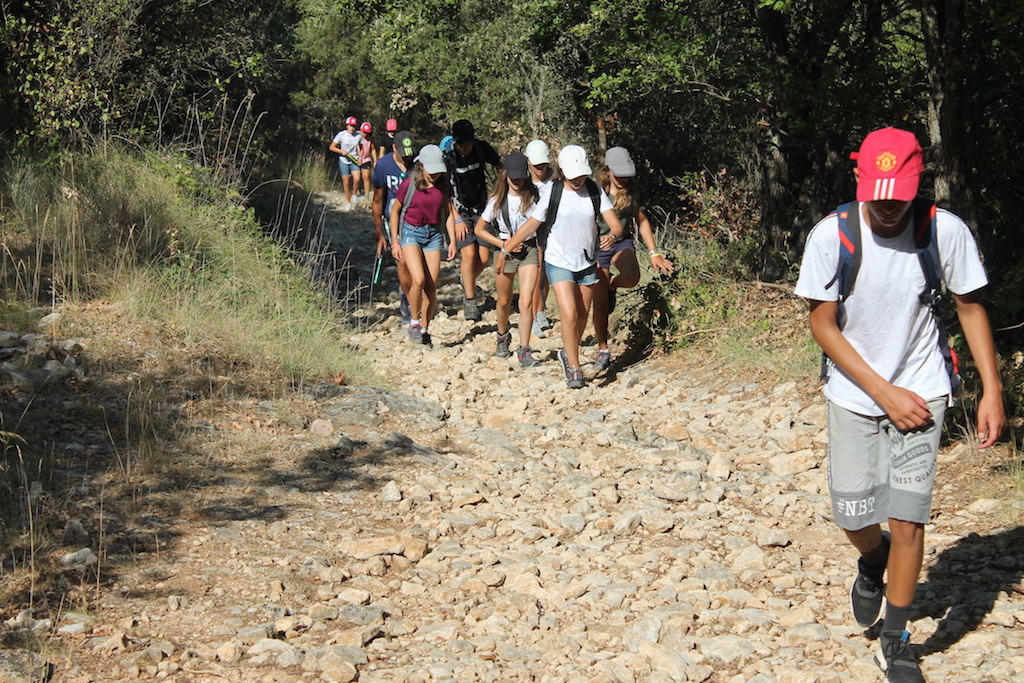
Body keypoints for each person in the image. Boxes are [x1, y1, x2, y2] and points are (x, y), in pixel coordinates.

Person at [794, 127, 1004, 683]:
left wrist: (992, 389)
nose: (888, 205)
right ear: (859, 178)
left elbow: (970, 307)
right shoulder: (831, 235)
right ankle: (872, 561)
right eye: (878, 193)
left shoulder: (945, 232)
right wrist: (883, 393)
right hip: (855, 395)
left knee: (908, 518)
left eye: (900, 193)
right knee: (852, 514)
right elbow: (822, 322)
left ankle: (898, 636)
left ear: (918, 183)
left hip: (923, 391)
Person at [501, 145, 624, 389]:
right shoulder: (553, 192)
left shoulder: (593, 190)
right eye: (573, 174)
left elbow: (615, 225)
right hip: (558, 260)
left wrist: (613, 236)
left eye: (582, 174)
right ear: (563, 171)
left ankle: (567, 354)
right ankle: (575, 368)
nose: (578, 179)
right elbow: (531, 226)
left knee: (580, 316)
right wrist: (505, 249)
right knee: (568, 313)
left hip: (587, 261)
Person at [590, 147, 675, 370]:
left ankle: (611, 286)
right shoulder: (593, 189)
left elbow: (642, 221)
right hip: (595, 247)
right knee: (599, 305)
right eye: (619, 174)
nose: (624, 179)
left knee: (631, 277)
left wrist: (654, 252)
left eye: (627, 174)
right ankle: (603, 349)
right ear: (607, 171)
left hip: (621, 242)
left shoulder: (632, 192)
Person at [473, 152, 541, 367]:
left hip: (529, 250)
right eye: (513, 176)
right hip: (505, 251)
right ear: (506, 176)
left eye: (521, 175)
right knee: (503, 301)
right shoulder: (498, 200)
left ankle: (524, 349)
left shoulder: (535, 196)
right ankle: (502, 335)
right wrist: (502, 245)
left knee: (527, 301)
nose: (517, 180)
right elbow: (479, 229)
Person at [389, 144, 459, 346]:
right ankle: (414, 323)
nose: (435, 174)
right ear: (422, 166)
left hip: (434, 235)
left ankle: (425, 329)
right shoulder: (409, 184)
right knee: (417, 280)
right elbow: (395, 211)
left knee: (431, 286)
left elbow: (448, 213)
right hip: (411, 232)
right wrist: (395, 240)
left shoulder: (444, 185)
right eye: (432, 170)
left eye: (438, 170)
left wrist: (452, 240)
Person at [446, 119, 502, 321]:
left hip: (482, 209)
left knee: (484, 258)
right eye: (461, 143)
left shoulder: (481, 148)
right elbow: (446, 192)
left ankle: (466, 279)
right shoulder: (449, 158)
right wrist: (456, 219)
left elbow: (499, 167)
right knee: (469, 254)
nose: (465, 147)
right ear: (455, 141)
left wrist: (501, 191)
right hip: (460, 212)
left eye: (468, 143)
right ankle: (470, 300)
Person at [372, 130, 416, 325]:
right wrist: (379, 232)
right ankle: (407, 298)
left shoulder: (418, 164)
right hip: (394, 220)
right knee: (403, 261)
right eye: (403, 153)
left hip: (417, 218)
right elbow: (377, 200)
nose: (407, 158)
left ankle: (413, 292)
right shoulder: (383, 165)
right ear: (394, 148)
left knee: (420, 264)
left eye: (410, 153)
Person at [525, 139, 555, 341]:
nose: (539, 168)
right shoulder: (524, 180)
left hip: (553, 228)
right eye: (535, 164)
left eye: (542, 163)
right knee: (536, 271)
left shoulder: (557, 178)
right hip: (530, 229)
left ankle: (541, 307)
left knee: (546, 272)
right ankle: (536, 313)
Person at [328, 116, 362, 211]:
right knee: (346, 181)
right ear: (347, 125)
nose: (352, 128)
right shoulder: (341, 135)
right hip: (344, 160)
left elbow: (361, 147)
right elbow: (332, 147)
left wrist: (360, 157)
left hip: (354, 159)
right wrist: (341, 151)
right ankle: (348, 202)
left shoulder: (359, 135)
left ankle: (354, 195)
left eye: (354, 126)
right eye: (351, 126)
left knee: (357, 178)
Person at [355, 121, 377, 202]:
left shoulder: (370, 139)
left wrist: (375, 160)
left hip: (366, 159)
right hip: (355, 158)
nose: (365, 134)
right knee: (356, 177)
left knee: (366, 176)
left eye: (367, 133)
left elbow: (373, 149)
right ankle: (356, 192)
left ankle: (367, 194)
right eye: (364, 132)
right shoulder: (356, 135)